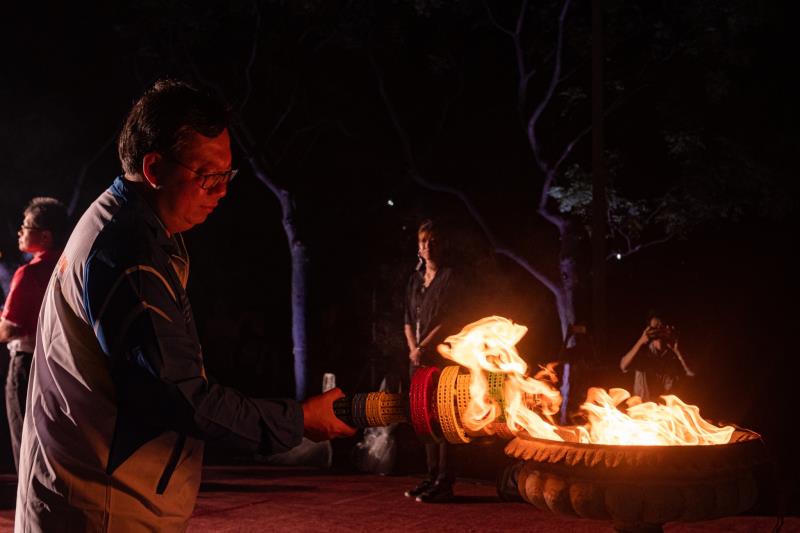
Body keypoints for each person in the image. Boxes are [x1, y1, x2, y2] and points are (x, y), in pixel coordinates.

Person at [14, 79, 354, 531]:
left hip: (102, 494)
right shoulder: (128, 252)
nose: (221, 191)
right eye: (208, 176)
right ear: (154, 168)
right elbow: (180, 396)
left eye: (226, 176)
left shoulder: (130, 228)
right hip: (105, 506)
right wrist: (299, 420)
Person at [0, 197, 68, 471]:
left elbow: (11, 328)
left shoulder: (29, 273)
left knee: (24, 438)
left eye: (26, 226)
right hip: (57, 367)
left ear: (45, 235)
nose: (20, 231)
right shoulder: (66, 267)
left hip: (26, 364)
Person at [403, 219, 460, 503]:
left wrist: (424, 347)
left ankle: (444, 480)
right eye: (423, 241)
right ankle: (430, 475)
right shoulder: (415, 280)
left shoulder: (450, 277)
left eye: (433, 241)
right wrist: (414, 349)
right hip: (418, 359)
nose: (428, 246)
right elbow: (407, 320)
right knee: (423, 418)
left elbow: (448, 319)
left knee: (442, 418)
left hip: (440, 357)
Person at [619, 313, 695, 402]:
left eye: (662, 327)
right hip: (642, 409)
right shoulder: (643, 353)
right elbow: (623, 366)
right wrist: (641, 341)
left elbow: (691, 373)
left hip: (665, 411)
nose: (658, 331)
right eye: (654, 328)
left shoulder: (673, 355)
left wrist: (677, 351)